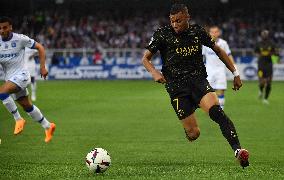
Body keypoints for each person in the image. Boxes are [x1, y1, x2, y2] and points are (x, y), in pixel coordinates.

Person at [142, 4, 249, 168]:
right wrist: (154, 73)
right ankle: (190, 131)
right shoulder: (162, 34)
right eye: (172, 21)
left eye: (178, 20)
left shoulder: (198, 32)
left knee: (217, 113)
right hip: (177, 89)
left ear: (187, 17)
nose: (175, 24)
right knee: (194, 134)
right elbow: (145, 59)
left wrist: (235, 73)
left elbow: (219, 51)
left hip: (198, 82)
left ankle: (238, 151)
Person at [0, 16, 56, 143]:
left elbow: (40, 47)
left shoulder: (20, 39)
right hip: (10, 79)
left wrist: (42, 67)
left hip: (22, 76)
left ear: (10, 27)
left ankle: (18, 119)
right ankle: (48, 126)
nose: (2, 30)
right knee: (27, 106)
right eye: (0, 28)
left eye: (4, 27)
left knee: (2, 92)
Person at [202, 25, 236, 109]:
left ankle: (221, 111)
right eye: (212, 32)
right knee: (209, 93)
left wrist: (234, 68)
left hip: (220, 71)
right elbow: (202, 57)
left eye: (216, 32)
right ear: (209, 33)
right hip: (209, 71)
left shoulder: (223, 43)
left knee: (220, 92)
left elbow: (229, 55)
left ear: (219, 33)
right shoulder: (205, 44)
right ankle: (212, 109)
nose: (214, 34)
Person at [255, 30, 277, 104]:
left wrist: (273, 53)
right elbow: (255, 52)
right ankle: (261, 91)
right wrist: (259, 55)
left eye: (265, 34)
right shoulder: (258, 44)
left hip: (269, 64)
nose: (264, 35)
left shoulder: (271, 43)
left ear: (267, 35)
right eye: (263, 34)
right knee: (262, 82)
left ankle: (265, 99)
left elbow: (275, 52)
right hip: (261, 64)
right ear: (261, 35)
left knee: (269, 81)